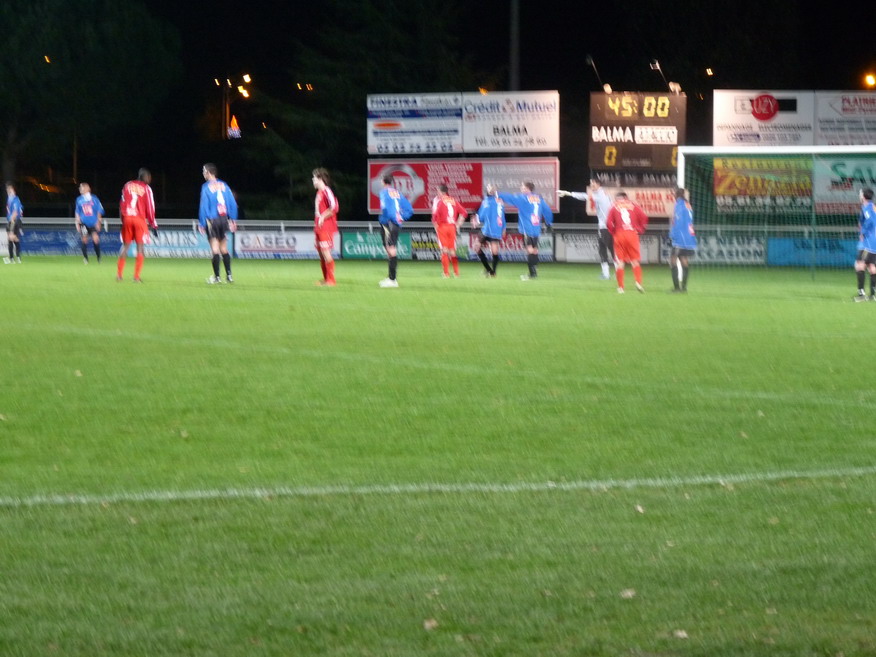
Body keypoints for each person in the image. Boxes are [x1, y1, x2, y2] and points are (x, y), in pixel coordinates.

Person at [558, 179, 614, 278]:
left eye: (593, 184)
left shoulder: (600, 195)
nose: (591, 185)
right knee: (605, 249)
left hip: (605, 227)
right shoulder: (604, 194)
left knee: (608, 249)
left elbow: (584, 196)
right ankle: (608, 273)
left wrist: (568, 193)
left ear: (598, 184)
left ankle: (611, 273)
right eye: (591, 184)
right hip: (607, 226)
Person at [498, 181, 553, 280]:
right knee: (535, 250)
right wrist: (549, 223)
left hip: (527, 228)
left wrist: (497, 193)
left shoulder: (524, 198)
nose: (521, 189)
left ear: (527, 189)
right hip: (536, 227)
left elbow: (510, 197)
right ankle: (534, 269)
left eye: (522, 187)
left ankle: (532, 274)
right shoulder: (539, 198)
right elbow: (547, 211)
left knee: (529, 250)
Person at [199, 163, 239, 284]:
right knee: (224, 248)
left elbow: (203, 206)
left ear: (209, 172)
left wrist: (202, 223)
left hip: (212, 220)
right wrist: (233, 219)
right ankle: (229, 276)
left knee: (215, 249)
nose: (203, 173)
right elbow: (232, 203)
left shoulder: (206, 187)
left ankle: (217, 277)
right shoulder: (225, 185)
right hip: (223, 220)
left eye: (204, 171)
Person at [117, 168, 157, 282]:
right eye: (149, 177)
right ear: (144, 177)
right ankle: (136, 277)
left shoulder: (127, 185)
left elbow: (122, 203)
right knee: (140, 248)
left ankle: (119, 275)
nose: (150, 179)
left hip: (127, 218)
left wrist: (123, 219)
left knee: (125, 246)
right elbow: (150, 207)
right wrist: (153, 223)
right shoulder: (146, 188)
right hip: (139, 219)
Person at [606, 191, 648, 294]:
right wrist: (640, 229)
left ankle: (621, 287)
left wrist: (613, 231)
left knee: (620, 261)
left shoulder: (614, 206)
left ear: (618, 198)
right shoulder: (633, 205)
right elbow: (644, 217)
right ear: (626, 198)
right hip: (632, 233)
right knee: (635, 261)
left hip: (619, 234)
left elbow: (608, 222)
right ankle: (638, 282)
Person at [377, 174, 413, 287]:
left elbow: (385, 208)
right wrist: (400, 217)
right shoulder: (397, 193)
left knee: (391, 248)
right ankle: (390, 278)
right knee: (389, 248)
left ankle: (392, 280)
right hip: (395, 223)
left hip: (388, 223)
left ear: (383, 181)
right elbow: (410, 210)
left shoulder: (383, 192)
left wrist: (386, 219)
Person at [431, 184, 467, 278]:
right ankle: (456, 273)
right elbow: (464, 213)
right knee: (452, 251)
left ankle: (446, 273)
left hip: (443, 227)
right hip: (452, 227)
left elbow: (435, 216)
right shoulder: (453, 200)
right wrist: (458, 224)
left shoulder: (440, 202)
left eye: (438, 191)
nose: (437, 193)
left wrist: (435, 225)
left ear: (441, 192)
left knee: (444, 250)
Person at [472, 184, 506, 277]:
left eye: (492, 188)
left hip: (491, 229)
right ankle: (490, 271)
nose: (491, 190)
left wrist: (476, 220)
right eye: (489, 188)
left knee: (493, 251)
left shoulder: (488, 201)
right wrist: (503, 228)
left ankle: (492, 271)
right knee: (477, 247)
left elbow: (481, 216)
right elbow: (502, 216)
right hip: (490, 229)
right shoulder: (498, 201)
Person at [312, 167, 339, 286]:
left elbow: (334, 207)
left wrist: (323, 217)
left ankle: (331, 280)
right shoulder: (319, 192)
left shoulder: (327, 191)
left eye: (314, 178)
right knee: (321, 253)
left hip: (326, 227)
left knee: (326, 252)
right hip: (319, 227)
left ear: (320, 179)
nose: (312, 180)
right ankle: (326, 279)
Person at [668, 187, 697, 293]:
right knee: (683, 259)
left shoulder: (679, 205)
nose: (673, 195)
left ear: (677, 195)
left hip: (680, 237)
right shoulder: (688, 204)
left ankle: (677, 288)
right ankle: (684, 288)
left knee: (672, 260)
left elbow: (677, 222)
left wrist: (672, 235)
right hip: (689, 236)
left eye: (673, 194)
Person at [853, 187, 876, 302]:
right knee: (872, 266)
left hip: (868, 242)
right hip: (874, 241)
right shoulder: (873, 206)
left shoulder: (867, 207)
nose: (859, 195)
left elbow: (871, 221)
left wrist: (863, 232)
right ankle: (873, 294)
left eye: (860, 193)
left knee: (859, 265)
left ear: (863, 196)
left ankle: (861, 294)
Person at [74, 182, 105, 264]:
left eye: (82, 188)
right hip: (83, 223)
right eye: (80, 188)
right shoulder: (79, 199)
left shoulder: (95, 199)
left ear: (87, 188)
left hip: (93, 223)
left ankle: (99, 258)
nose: (80, 189)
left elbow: (99, 211)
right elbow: (77, 212)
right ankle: (85, 259)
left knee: (96, 239)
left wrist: (99, 222)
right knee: (84, 240)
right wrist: (77, 223)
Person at [5, 182, 23, 264]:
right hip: (10, 220)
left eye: (10, 190)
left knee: (14, 239)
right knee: (10, 239)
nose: (8, 191)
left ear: (12, 190)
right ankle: (12, 258)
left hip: (14, 221)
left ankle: (17, 258)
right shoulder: (9, 199)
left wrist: (12, 221)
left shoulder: (15, 199)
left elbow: (16, 212)